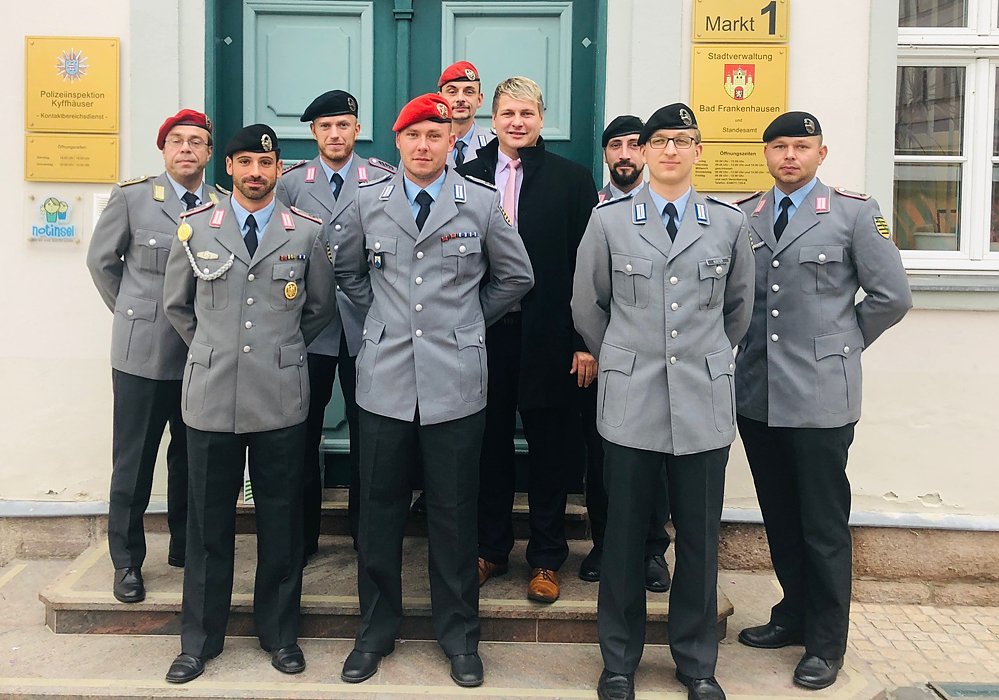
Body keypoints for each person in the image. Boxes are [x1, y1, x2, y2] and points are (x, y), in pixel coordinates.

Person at [334, 94, 533, 688]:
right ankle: (374, 631)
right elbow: (345, 271)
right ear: (397, 141)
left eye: (435, 135)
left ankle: (460, 636)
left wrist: (466, 321)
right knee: (379, 513)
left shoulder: (481, 202)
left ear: (453, 141)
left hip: (454, 381)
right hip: (385, 381)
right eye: (413, 135)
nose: (423, 145)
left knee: (453, 514)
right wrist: (383, 319)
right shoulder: (367, 202)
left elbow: (517, 275)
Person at [572, 103, 754, 700]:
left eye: (682, 140)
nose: (671, 150)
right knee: (624, 538)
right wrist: (625, 355)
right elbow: (588, 306)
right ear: (644, 152)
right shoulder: (608, 221)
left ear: (698, 150)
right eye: (660, 142)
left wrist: (698, 356)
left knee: (699, 539)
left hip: (702, 400)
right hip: (631, 399)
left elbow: (738, 311)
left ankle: (696, 662)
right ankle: (618, 661)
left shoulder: (727, 223)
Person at [733, 111, 912, 690]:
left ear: (821, 153)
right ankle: (793, 613)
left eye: (801, 146)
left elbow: (892, 295)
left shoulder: (854, 213)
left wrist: (842, 343)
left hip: (820, 394)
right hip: (758, 392)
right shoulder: (746, 214)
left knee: (823, 523)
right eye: (779, 146)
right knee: (780, 515)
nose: (789, 156)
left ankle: (827, 642)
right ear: (766, 154)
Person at [161, 124, 336, 683]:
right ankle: (199, 640)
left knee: (281, 521)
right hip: (212, 394)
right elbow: (177, 306)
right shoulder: (194, 228)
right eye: (244, 162)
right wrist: (213, 351)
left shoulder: (305, 231)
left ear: (279, 168)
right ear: (229, 168)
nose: (255, 173)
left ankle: (280, 634)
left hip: (279, 395)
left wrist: (277, 353)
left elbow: (320, 308)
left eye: (265, 163)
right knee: (207, 524)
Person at [458, 76, 598, 604]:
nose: (517, 122)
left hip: (550, 336)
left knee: (550, 450)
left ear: (542, 119)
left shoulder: (571, 179)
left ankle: (545, 558)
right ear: (492, 119)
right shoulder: (465, 176)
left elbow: (586, 267)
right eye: (508, 113)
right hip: (483, 333)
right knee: (487, 444)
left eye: (528, 113)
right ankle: (490, 549)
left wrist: (584, 340)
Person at [87, 109, 223, 603]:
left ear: (209, 153)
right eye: (177, 141)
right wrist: (134, 313)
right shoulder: (133, 198)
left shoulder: (222, 205)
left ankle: (186, 549)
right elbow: (102, 263)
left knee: (193, 459)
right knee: (134, 460)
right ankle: (126, 561)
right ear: (163, 150)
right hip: (142, 355)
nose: (187, 149)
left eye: (197, 142)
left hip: (200, 355)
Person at [276, 89, 393, 557]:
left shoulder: (381, 177)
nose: (335, 134)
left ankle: (367, 535)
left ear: (357, 129)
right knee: (301, 430)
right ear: (314, 133)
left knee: (371, 432)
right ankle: (301, 536)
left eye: (343, 125)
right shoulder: (290, 183)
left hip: (368, 321)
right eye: (326, 126)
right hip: (309, 323)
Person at [579, 115, 671, 593]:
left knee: (657, 457)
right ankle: (605, 542)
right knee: (603, 455)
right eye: (615, 146)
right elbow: (583, 290)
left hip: (664, 360)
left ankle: (653, 549)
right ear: (605, 155)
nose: (625, 154)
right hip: (605, 355)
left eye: (634, 144)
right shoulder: (593, 209)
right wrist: (599, 349)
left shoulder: (670, 209)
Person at [439, 60, 495, 167]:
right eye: (452, 92)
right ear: (440, 99)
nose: (460, 99)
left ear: (479, 100)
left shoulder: (494, 145)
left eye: (469, 92)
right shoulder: (427, 146)